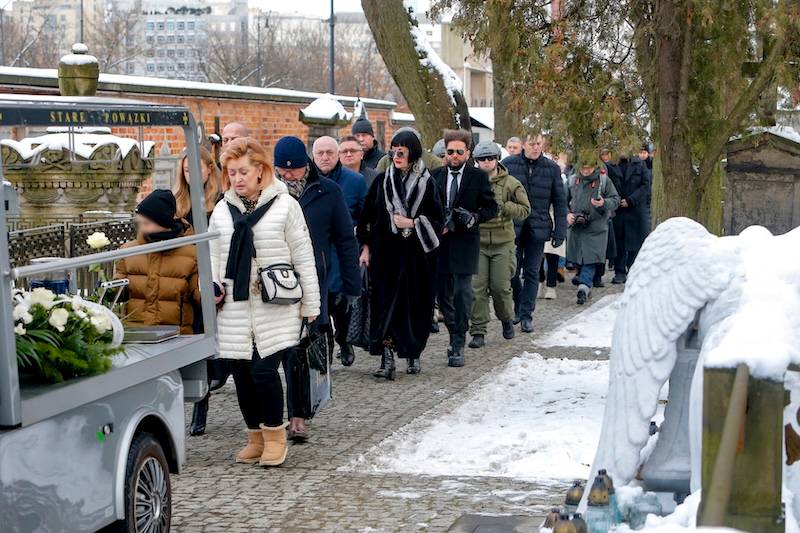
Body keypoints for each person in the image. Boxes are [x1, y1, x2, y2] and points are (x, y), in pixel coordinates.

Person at [209, 137, 320, 467]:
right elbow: (215, 256)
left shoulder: (286, 205)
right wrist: (213, 288)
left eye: (243, 171)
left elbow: (303, 255)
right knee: (241, 373)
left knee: (263, 371)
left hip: (276, 302)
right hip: (234, 304)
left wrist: (311, 304)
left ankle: (275, 435)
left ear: (260, 170)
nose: (237, 178)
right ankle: (254, 436)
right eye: (231, 173)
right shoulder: (221, 210)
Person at [273, 136, 360, 440]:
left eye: (294, 170)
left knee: (299, 351)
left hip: (311, 282)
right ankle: (270, 420)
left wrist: (352, 285)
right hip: (271, 283)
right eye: (282, 171)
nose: (288, 176)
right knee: (275, 352)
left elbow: (345, 240)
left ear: (305, 165)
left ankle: (298, 417)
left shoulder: (328, 191)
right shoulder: (267, 193)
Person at [357, 129, 444, 378]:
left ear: (413, 153)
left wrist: (413, 223)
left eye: (402, 150)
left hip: (418, 259)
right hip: (386, 257)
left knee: (415, 307)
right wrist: (366, 246)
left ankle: (413, 353)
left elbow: (438, 221)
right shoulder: (381, 182)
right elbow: (367, 218)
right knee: (385, 306)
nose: (397, 155)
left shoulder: (428, 184)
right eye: (394, 149)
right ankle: (387, 360)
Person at [433, 130, 498, 367]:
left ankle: (458, 341)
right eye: (450, 151)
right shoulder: (436, 175)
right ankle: (453, 333)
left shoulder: (478, 177)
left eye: (460, 152)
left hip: (466, 243)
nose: (455, 156)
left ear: (468, 153)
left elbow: (492, 208)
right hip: (440, 244)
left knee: (462, 293)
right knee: (443, 296)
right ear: (445, 152)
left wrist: (474, 217)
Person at [174, 146, 225, 437]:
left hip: (211, 274)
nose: (190, 173)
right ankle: (199, 403)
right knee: (194, 338)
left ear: (209, 168)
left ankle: (212, 385)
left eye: (195, 168)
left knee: (212, 336)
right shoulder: (177, 202)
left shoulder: (217, 202)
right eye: (185, 169)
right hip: (185, 277)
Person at [468, 141, 530, 349]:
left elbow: (525, 210)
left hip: (503, 242)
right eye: (482, 159)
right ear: (476, 161)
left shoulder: (512, 183)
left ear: (496, 159)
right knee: (477, 289)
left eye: (490, 158)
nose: (486, 162)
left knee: (501, 287)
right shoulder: (472, 181)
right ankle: (478, 331)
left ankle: (506, 319)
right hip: (478, 242)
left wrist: (506, 206)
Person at [503, 133, 567, 333]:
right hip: (513, 226)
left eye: (539, 143)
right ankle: (517, 304)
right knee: (512, 271)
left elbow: (559, 202)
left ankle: (526, 315)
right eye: (532, 143)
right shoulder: (509, 164)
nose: (535, 147)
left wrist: (560, 231)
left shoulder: (552, 169)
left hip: (538, 227)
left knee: (532, 271)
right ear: (524, 145)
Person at [311, 136, 366, 368]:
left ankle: (344, 339)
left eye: (329, 153)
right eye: (320, 153)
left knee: (341, 304)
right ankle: (325, 349)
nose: (325, 157)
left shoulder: (355, 181)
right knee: (321, 303)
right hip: (316, 250)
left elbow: (365, 219)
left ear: (338, 155)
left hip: (343, 249)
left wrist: (365, 246)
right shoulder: (306, 180)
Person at [115, 190, 200, 334]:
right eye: (140, 223)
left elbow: (200, 296)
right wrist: (110, 290)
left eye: (147, 223)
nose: (142, 228)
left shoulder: (191, 254)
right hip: (135, 334)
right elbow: (118, 291)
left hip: (176, 336)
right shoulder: (128, 251)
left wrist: (214, 292)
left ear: (164, 222)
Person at [566, 150, 620, 304]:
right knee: (578, 259)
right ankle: (585, 284)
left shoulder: (604, 181)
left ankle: (583, 287)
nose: (586, 171)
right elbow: (561, 200)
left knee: (591, 259)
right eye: (583, 168)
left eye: (589, 168)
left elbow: (615, 199)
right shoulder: (572, 180)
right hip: (577, 228)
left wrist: (604, 203)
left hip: (596, 228)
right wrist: (567, 214)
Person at [611, 149, 651, 284]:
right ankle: (619, 271)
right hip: (618, 210)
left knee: (635, 242)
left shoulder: (640, 164)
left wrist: (631, 200)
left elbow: (645, 185)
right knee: (619, 242)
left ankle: (633, 269)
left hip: (635, 209)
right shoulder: (613, 165)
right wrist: (617, 200)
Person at [375, 127, 443, 173]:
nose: (395, 157)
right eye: (393, 152)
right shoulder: (385, 162)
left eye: (400, 153)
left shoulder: (431, 161)